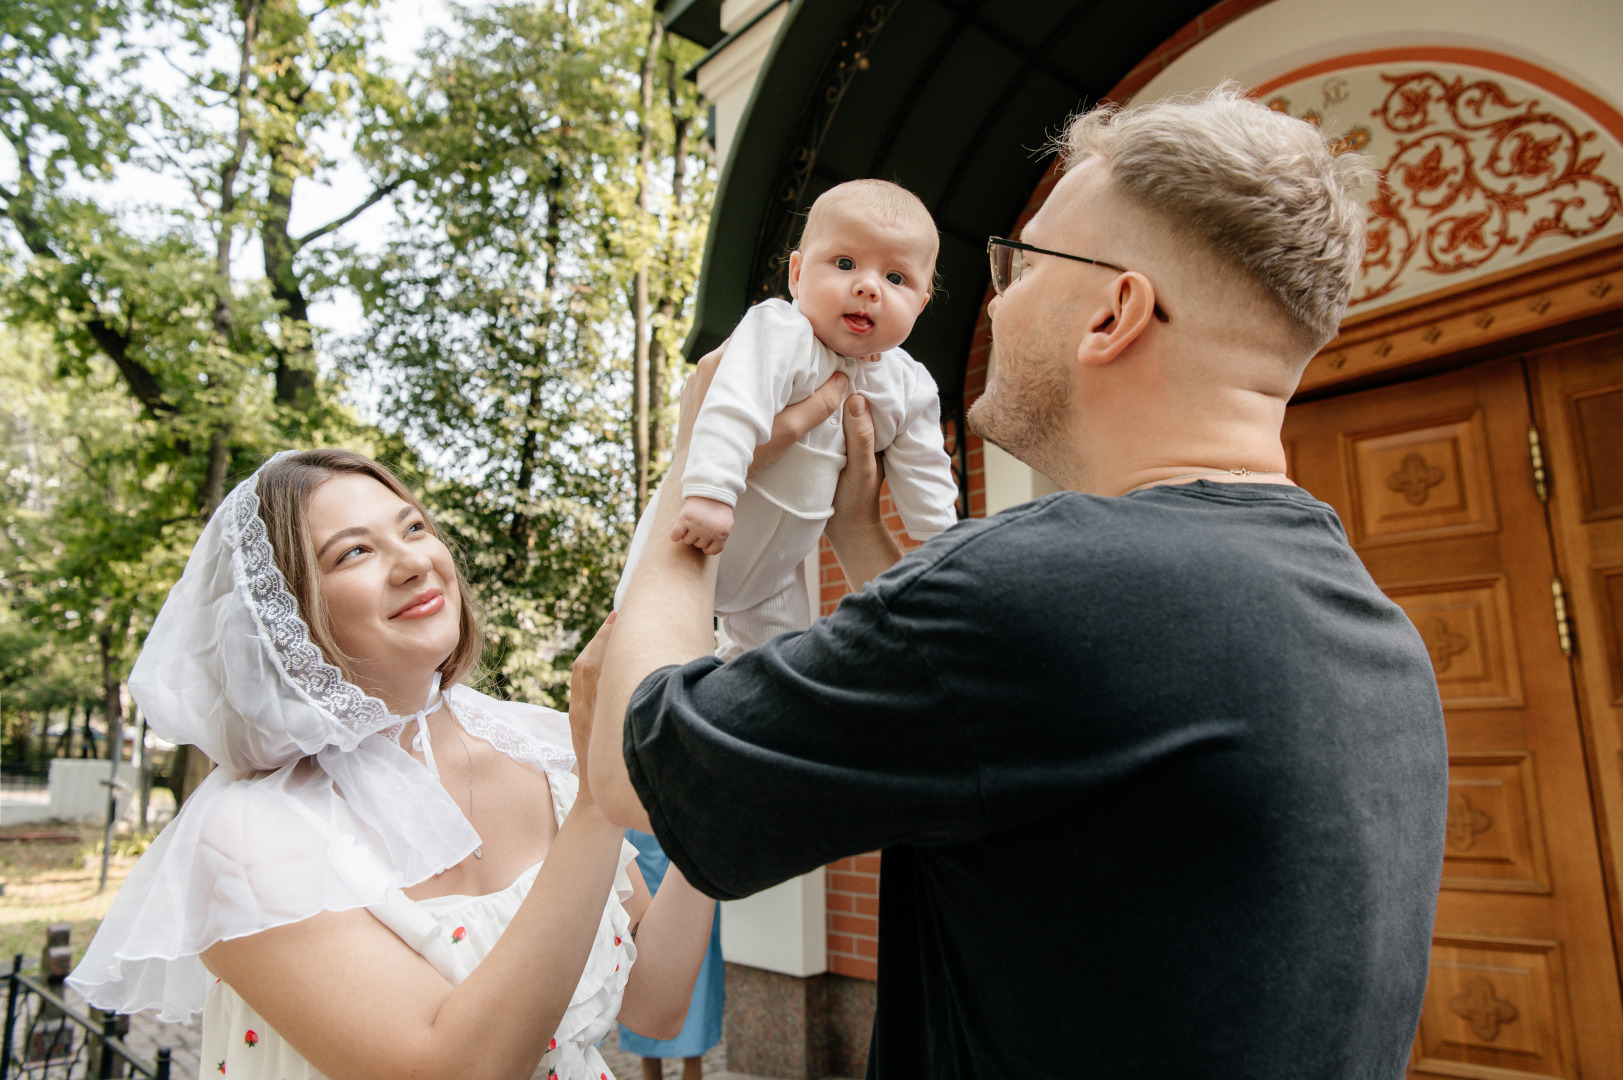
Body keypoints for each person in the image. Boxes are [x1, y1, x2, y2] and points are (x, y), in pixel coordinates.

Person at [578, 86, 1450, 1077]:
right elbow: (1005, 718)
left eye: (1023, 264)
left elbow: (633, 764)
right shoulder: (1379, 633)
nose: (994, 298)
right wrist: (867, 534)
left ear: (1114, 312)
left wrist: (704, 460)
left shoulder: (1039, 587)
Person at [67, 449, 726, 1080]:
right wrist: (596, 800)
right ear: (281, 616)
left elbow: (655, 1002)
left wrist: (711, 778)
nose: (413, 561)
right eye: (353, 551)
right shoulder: (243, 835)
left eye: (413, 527)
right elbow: (457, 1069)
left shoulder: (543, 748)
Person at [617, 179, 958, 655]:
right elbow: (731, 406)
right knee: (641, 639)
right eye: (844, 264)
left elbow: (926, 467)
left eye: (896, 278)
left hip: (777, 574)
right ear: (796, 274)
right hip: (702, 525)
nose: (867, 286)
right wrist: (710, 493)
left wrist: (942, 542)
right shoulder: (780, 332)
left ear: (921, 306)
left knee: (779, 661)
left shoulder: (911, 385)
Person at [617, 830, 723, 1080]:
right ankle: (682, 1064)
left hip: (655, 830)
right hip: (662, 833)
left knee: (653, 946)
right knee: (646, 947)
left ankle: (679, 1064)